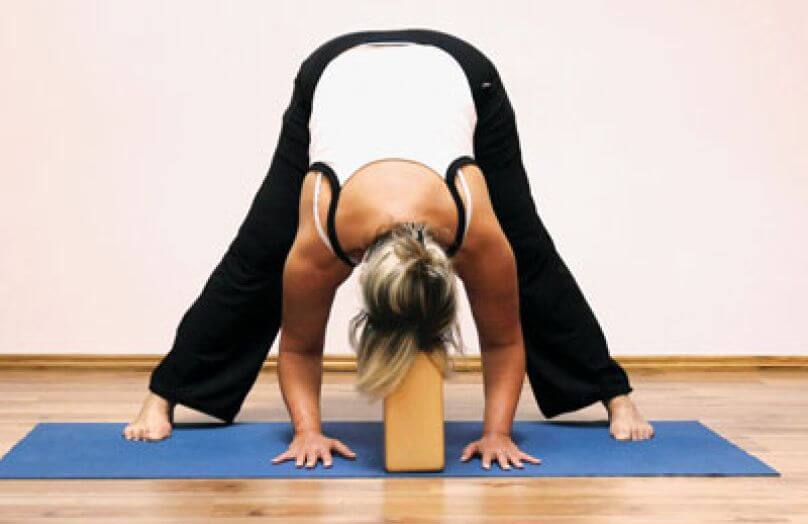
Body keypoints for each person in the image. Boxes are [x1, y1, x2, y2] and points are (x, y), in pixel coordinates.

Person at [124, 28, 654, 470]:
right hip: (332, 73)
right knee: (258, 256)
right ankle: (164, 395)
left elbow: (503, 340)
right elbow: (300, 347)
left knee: (527, 254)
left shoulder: (473, 221)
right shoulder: (320, 225)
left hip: (463, 74)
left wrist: (498, 433)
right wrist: (307, 431)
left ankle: (614, 395)